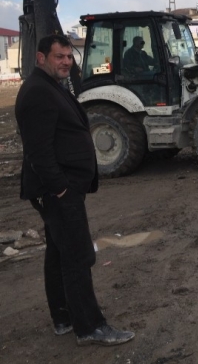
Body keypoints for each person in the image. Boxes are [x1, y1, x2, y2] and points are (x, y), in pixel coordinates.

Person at [15, 34, 135, 347]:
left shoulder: (51, 87)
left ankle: (63, 317)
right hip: (57, 191)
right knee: (78, 257)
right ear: (41, 58)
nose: (67, 62)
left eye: (69, 56)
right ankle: (90, 326)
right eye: (60, 57)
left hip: (58, 189)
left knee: (58, 252)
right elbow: (38, 152)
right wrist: (62, 191)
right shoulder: (37, 93)